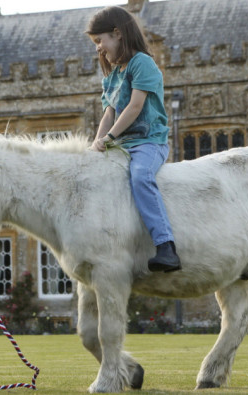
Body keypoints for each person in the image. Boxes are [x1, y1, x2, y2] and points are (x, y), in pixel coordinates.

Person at [86, 6, 181, 273]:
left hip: (149, 142)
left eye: (99, 41)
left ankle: (165, 245)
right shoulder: (112, 76)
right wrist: (96, 145)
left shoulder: (142, 63)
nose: (98, 48)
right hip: (120, 145)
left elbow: (135, 107)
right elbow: (108, 115)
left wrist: (111, 137)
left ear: (117, 34)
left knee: (140, 176)